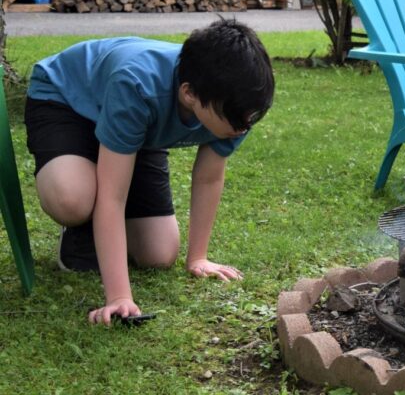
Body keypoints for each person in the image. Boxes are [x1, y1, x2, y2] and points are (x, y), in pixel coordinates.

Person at [25, 18, 275, 326]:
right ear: (189, 94)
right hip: (67, 102)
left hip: (137, 127)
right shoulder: (137, 85)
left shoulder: (239, 108)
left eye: (250, 119)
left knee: (158, 254)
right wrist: (119, 297)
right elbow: (113, 197)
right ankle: (80, 227)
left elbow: (209, 176)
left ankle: (99, 227)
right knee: (74, 199)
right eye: (237, 122)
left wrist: (197, 257)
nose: (243, 129)